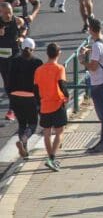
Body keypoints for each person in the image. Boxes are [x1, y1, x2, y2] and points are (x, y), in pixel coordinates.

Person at [79, 17, 103, 154]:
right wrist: (90, 51)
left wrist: (82, 60)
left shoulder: (96, 45)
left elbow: (93, 67)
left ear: (90, 30)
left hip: (99, 83)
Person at [34, 41, 68, 171]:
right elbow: (62, 85)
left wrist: (39, 103)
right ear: (58, 53)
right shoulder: (59, 68)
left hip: (44, 104)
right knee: (59, 132)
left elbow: (35, 89)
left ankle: (50, 157)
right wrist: (67, 97)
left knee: (47, 132)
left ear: (47, 54)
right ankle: (52, 158)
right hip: (57, 103)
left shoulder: (39, 70)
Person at [8, 38, 40, 160]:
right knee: (32, 124)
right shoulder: (37, 62)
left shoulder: (15, 61)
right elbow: (39, 83)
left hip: (16, 96)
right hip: (30, 97)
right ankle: (23, 140)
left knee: (22, 124)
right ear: (33, 48)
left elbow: (9, 81)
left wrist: (11, 97)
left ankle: (24, 151)